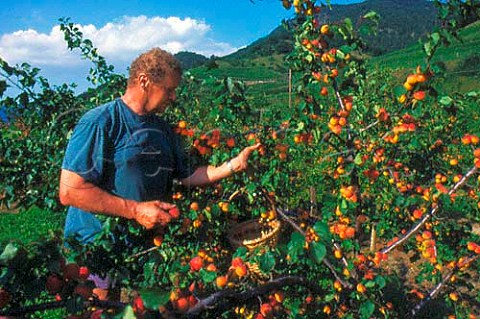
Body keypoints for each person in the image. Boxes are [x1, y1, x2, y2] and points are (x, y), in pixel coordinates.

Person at [58, 47, 260, 299]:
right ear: (144, 81)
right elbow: (70, 192)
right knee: (100, 311)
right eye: (169, 89)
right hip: (95, 249)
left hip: (142, 250)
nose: (174, 97)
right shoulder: (101, 122)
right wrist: (136, 210)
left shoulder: (163, 129)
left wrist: (232, 165)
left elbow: (186, 175)